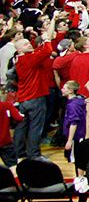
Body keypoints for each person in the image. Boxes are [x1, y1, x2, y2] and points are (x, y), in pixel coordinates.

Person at [13, 28, 55, 160]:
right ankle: (34, 154)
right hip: (35, 97)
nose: (29, 45)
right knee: (35, 127)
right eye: (25, 44)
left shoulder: (21, 59)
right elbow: (47, 51)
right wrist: (47, 39)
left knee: (21, 127)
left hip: (24, 98)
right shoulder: (29, 59)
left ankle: (18, 152)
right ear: (19, 49)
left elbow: (38, 52)